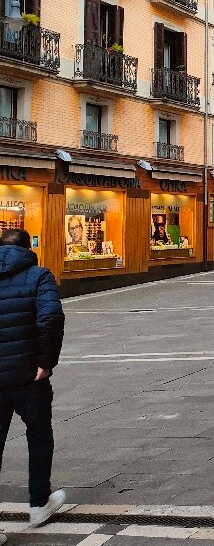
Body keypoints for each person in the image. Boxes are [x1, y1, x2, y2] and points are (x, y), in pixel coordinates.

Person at [0, 228, 66, 538]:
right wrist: (45, 362)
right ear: (28, 248)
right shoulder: (39, 275)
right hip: (30, 376)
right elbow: (51, 317)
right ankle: (39, 504)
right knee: (39, 436)